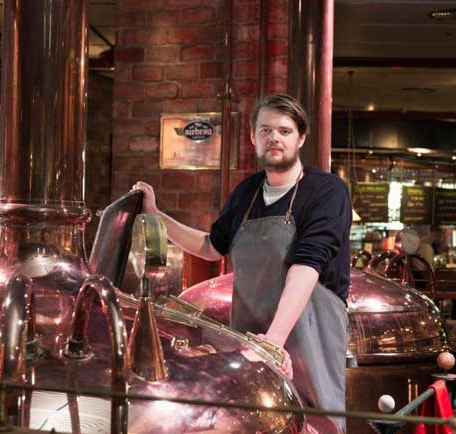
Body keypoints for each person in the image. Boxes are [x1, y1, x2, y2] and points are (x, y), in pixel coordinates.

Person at [133, 94, 351, 431]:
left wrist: (272, 344)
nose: (274, 138)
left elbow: (307, 265)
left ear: (301, 138)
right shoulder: (247, 192)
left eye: (284, 131)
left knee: (311, 423)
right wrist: (157, 216)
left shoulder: (326, 191)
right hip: (249, 338)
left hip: (309, 340)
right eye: (265, 130)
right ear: (253, 138)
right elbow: (211, 246)